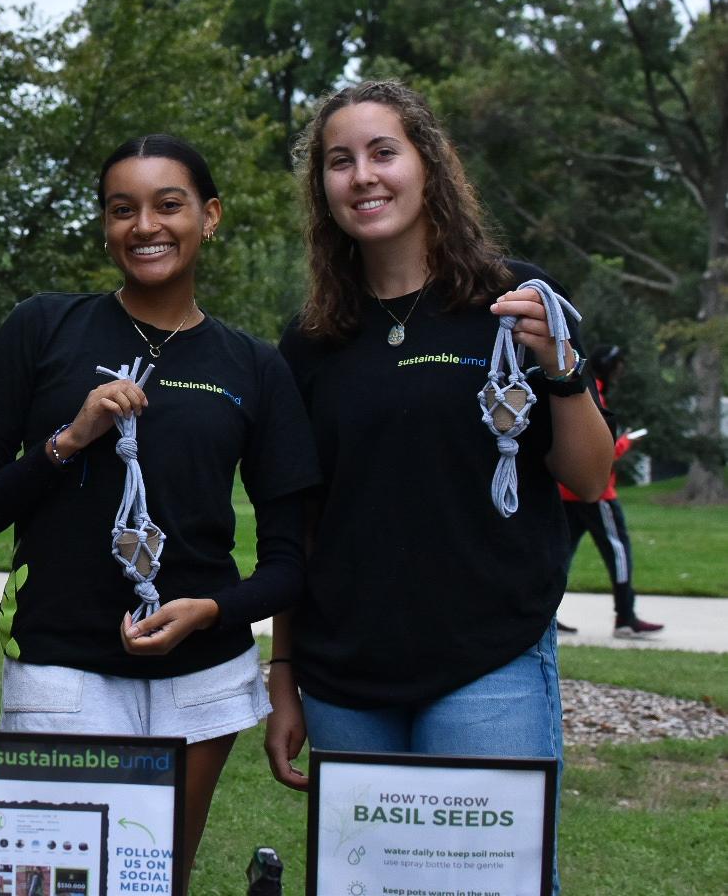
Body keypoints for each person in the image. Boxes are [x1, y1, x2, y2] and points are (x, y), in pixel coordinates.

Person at [265, 81, 614, 892]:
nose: (363, 176)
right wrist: (286, 676)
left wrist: (562, 373)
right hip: (347, 678)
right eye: (339, 161)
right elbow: (300, 520)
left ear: (429, 166)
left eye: (384, 152)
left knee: (490, 885)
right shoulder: (314, 338)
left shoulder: (513, 300)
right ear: (322, 187)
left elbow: (590, 478)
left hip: (487, 665)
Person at [0, 134, 320, 874]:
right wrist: (70, 438)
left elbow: (290, 561)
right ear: (106, 225)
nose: (144, 225)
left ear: (209, 217)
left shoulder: (252, 365)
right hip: (62, 669)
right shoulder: (44, 327)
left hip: (203, 676)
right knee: (59, 885)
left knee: (154, 882)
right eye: (123, 209)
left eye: (168, 205)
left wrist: (212, 612)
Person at [560, 344, 664, 638]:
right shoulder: (594, 394)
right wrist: (627, 442)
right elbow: (600, 450)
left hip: (568, 491)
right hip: (597, 494)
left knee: (560, 555)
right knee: (618, 552)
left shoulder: (585, 387)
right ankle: (626, 616)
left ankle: (545, 616)